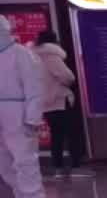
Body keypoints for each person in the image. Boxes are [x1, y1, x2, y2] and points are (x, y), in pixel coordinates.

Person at [0, 17, 47, 198]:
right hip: (6, 113)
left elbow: (34, 88)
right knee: (4, 163)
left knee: (25, 160)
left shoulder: (22, 54)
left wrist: (32, 117)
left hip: (18, 113)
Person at [32, 31, 83, 177]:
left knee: (56, 135)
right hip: (59, 99)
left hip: (45, 102)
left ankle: (58, 168)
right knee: (72, 133)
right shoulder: (51, 55)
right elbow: (67, 76)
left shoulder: (33, 57)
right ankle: (76, 167)